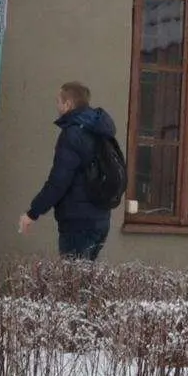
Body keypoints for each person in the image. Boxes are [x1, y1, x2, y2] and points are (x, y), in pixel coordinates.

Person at [18, 81, 117, 260]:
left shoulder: (73, 134)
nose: (57, 106)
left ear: (68, 104)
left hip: (77, 222)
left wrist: (33, 213)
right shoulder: (99, 130)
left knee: (72, 283)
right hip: (100, 219)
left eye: (59, 101)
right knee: (84, 282)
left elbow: (58, 182)